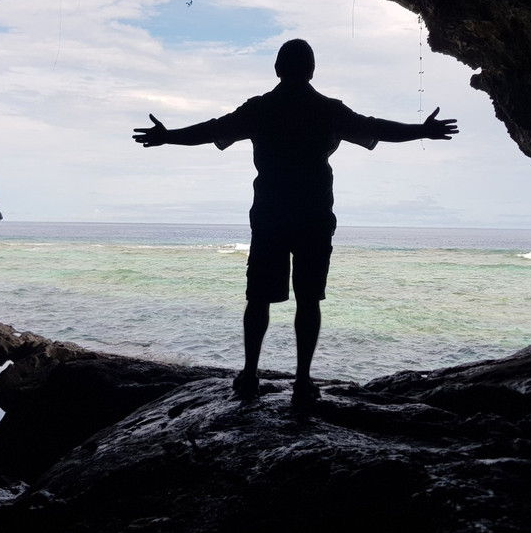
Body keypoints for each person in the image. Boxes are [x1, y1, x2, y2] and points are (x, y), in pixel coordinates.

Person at [133, 39, 458, 406]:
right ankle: (303, 381)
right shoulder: (327, 110)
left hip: (270, 215)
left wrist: (167, 137)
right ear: (312, 70)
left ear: (276, 69)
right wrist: (423, 130)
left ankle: (249, 374)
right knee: (309, 299)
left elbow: (211, 130)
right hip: (315, 216)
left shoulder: (261, 108)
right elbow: (377, 127)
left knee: (258, 298)